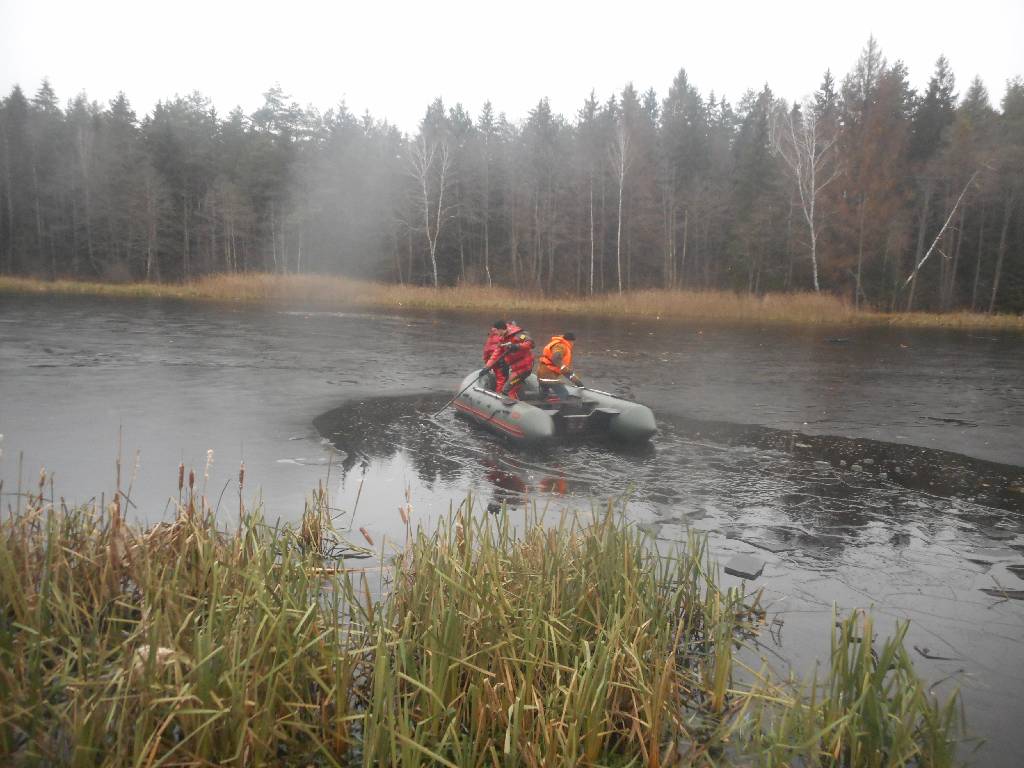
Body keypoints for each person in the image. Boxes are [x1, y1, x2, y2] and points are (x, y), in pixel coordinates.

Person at [485, 321, 534, 400]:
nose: (495, 333)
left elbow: (530, 343)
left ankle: (513, 406)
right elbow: (495, 354)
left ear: (500, 329)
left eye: (496, 331)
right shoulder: (502, 340)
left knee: (507, 390)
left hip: (525, 368)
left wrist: (517, 346)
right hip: (516, 368)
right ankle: (515, 403)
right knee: (511, 388)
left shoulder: (518, 335)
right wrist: (487, 366)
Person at [536, 332, 582, 401]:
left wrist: (577, 382)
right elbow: (555, 358)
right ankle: (565, 410)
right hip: (548, 375)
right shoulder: (561, 346)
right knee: (564, 394)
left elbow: (564, 371)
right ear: (571, 341)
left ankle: (542, 406)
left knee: (544, 393)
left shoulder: (559, 344)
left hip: (542, 373)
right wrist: (563, 368)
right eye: (573, 342)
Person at [481, 320, 508, 391]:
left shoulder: (491, 336)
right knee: (502, 379)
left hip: (493, 360)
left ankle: (499, 392)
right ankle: (499, 394)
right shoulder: (502, 336)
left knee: (500, 378)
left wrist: (487, 364)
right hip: (500, 361)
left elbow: (486, 351)